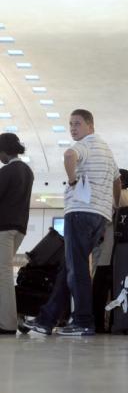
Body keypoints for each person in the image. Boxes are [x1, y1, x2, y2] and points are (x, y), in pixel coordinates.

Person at [21, 109, 120, 336]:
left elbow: (68, 156)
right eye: (70, 124)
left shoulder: (85, 144)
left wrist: (73, 179)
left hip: (80, 212)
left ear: (90, 126)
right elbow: (117, 180)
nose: (73, 128)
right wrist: (113, 205)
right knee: (69, 268)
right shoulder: (106, 150)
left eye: (77, 124)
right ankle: (46, 320)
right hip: (99, 216)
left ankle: (83, 321)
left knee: (77, 271)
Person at [91, 168, 128, 333]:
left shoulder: (119, 196)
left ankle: (97, 324)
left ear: (121, 181)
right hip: (121, 255)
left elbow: (105, 221)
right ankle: (111, 323)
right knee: (115, 290)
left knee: (98, 290)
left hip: (108, 252)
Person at [0, 133, 34, 335]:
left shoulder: (7, 171)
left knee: (3, 275)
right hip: (19, 228)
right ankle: (9, 318)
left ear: (5, 151)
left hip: (3, 229)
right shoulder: (27, 171)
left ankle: (7, 323)